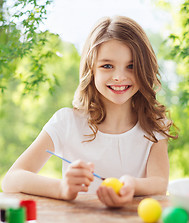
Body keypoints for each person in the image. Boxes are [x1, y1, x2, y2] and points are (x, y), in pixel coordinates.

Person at [2, 16, 177, 207]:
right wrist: (62, 189)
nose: (119, 76)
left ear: (145, 69)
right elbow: (11, 180)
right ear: (91, 69)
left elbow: (159, 184)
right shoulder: (66, 122)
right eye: (107, 66)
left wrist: (132, 185)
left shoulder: (154, 126)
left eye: (131, 66)